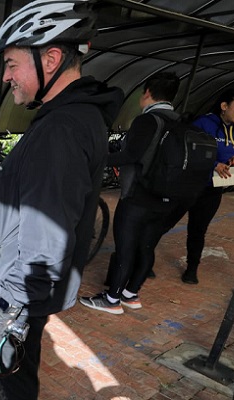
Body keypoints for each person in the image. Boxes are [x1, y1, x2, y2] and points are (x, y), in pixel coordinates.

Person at [0, 1, 124, 399]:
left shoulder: (62, 129)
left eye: (11, 64)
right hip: (16, 290)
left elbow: (47, 238)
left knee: (13, 384)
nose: (6, 77)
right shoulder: (72, 117)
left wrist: (12, 311)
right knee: (14, 378)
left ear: (51, 58)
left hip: (15, 296)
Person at [79, 72, 181, 315]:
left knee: (125, 248)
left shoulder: (148, 121)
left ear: (146, 93)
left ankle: (112, 299)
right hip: (166, 198)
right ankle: (130, 294)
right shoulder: (179, 121)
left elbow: (130, 156)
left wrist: (97, 158)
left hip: (138, 196)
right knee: (146, 248)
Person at [161, 88, 234, 285]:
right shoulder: (204, 123)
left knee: (198, 230)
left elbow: (225, 152)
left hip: (212, 190)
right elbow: (188, 151)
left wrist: (233, 160)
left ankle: (192, 269)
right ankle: (142, 260)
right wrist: (213, 164)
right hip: (188, 186)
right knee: (164, 223)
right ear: (224, 106)